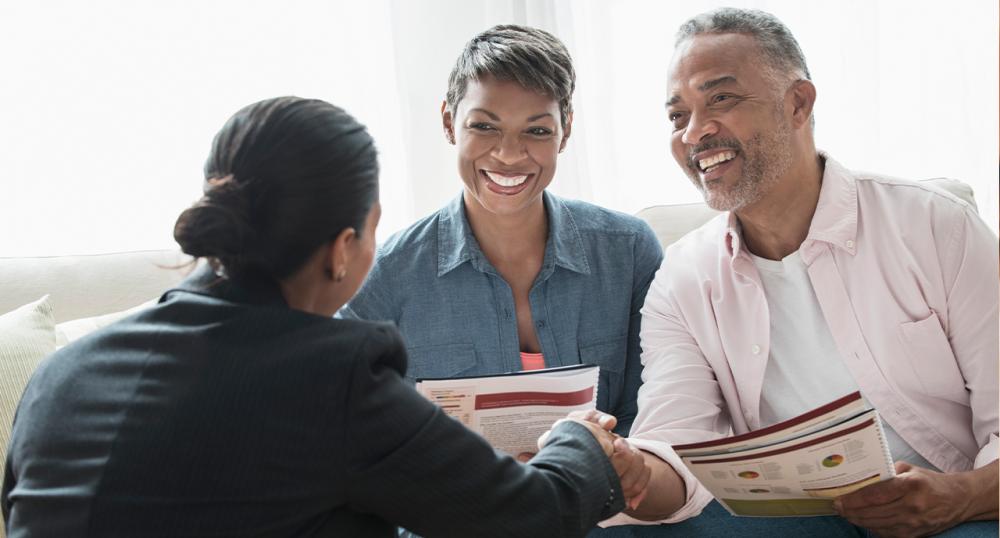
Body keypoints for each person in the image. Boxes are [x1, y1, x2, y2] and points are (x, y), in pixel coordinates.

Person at [1, 96, 643, 537]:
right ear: (343, 249)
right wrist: (580, 441)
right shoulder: (332, 374)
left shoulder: (62, 374)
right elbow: (534, 516)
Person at [601, 8, 999, 537]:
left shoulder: (934, 224)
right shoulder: (681, 278)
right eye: (678, 116)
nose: (695, 132)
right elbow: (677, 449)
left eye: (721, 98)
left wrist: (959, 497)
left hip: (957, 505)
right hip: (799, 517)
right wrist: (630, 471)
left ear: (798, 103)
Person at [339, 24, 662, 438]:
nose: (509, 154)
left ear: (565, 131)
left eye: (537, 130)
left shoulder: (630, 252)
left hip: (607, 495)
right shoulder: (387, 273)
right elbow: (340, 415)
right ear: (448, 122)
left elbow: (654, 413)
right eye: (484, 127)